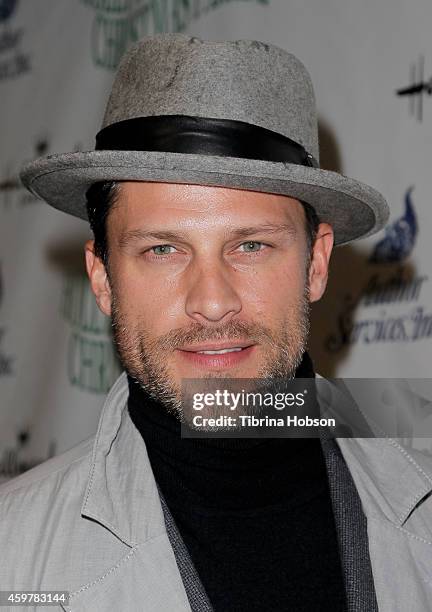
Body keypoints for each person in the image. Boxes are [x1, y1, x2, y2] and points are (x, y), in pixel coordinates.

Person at [1, 32, 432, 612]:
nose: (211, 301)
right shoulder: (13, 555)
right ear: (102, 277)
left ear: (316, 262)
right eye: (163, 250)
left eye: (251, 246)